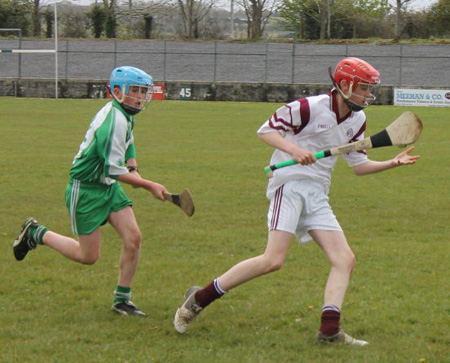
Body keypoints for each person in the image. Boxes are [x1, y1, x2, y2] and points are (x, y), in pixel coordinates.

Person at [173, 57, 420, 345]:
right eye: (363, 88)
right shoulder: (309, 107)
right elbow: (265, 130)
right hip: (288, 185)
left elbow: (358, 166)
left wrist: (393, 162)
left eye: (369, 89)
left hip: (317, 192)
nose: (368, 94)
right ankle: (197, 300)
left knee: (344, 259)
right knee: (273, 260)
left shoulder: (358, 120)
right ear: (343, 85)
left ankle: (329, 332)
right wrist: (293, 149)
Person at [13, 66, 168, 317]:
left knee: (133, 238)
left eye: (143, 91)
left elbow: (128, 142)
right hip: (85, 189)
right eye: (135, 91)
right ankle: (36, 233)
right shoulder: (114, 121)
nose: (140, 97)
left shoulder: (125, 113)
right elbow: (111, 170)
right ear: (117, 92)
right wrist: (149, 185)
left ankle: (122, 300)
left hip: (108, 187)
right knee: (88, 256)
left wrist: (134, 166)